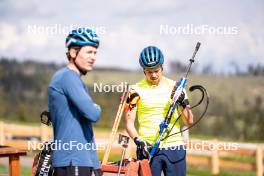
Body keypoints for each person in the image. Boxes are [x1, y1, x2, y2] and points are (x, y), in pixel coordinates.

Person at [125, 46, 193, 176]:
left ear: (162, 67)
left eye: (156, 70)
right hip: (148, 148)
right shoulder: (134, 91)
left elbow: (189, 121)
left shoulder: (176, 88)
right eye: (149, 72)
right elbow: (129, 122)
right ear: (143, 70)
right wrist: (138, 140)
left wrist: (182, 102)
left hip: (174, 147)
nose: (154, 75)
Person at [48, 28, 102, 176]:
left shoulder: (75, 80)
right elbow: (92, 113)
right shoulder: (67, 77)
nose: (93, 57)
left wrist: (95, 164)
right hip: (72, 160)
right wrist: (96, 107)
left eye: (95, 52)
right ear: (73, 53)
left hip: (80, 160)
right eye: (89, 52)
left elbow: (85, 127)